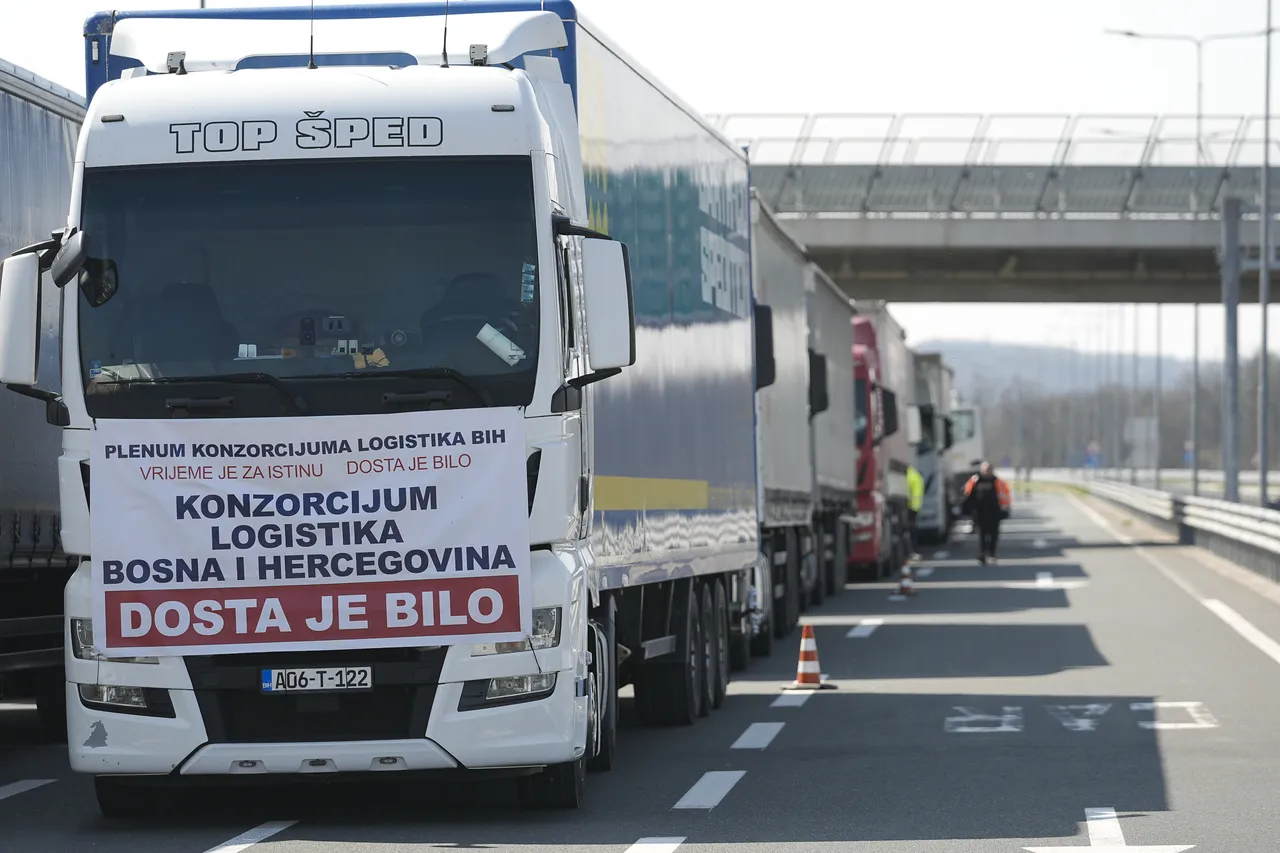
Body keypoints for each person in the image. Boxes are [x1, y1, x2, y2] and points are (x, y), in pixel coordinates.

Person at [963, 462, 1010, 565]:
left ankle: (992, 554)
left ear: (992, 470)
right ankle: (982, 554)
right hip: (980, 512)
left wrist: (1005, 508)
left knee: (993, 534)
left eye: (988, 469)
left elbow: (1004, 495)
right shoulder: (975, 480)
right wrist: (968, 509)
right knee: (982, 534)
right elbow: (967, 493)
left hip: (994, 512)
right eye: (984, 470)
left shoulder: (997, 482)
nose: (986, 472)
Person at [906, 464, 924, 562]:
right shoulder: (916, 474)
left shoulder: (909, 476)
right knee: (912, 529)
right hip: (916, 506)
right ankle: (915, 551)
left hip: (910, 506)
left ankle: (913, 551)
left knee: (910, 530)